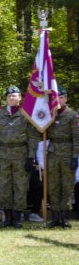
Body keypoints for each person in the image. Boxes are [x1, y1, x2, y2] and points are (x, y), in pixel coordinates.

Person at [0, 85, 38, 228]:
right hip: (3, 154)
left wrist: (31, 157)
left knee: (20, 186)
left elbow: (33, 137)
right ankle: (7, 217)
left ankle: (17, 217)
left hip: (21, 154)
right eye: (9, 96)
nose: (12, 98)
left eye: (14, 95)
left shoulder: (26, 115)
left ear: (20, 98)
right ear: (6, 98)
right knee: (4, 186)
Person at [45, 87, 78, 228]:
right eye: (57, 98)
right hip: (52, 151)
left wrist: (75, 156)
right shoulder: (50, 114)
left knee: (67, 185)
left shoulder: (72, 115)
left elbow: (77, 138)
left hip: (67, 152)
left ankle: (64, 217)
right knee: (53, 185)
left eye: (62, 97)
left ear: (66, 99)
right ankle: (55, 216)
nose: (59, 100)